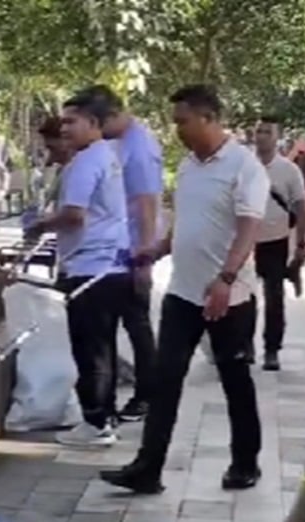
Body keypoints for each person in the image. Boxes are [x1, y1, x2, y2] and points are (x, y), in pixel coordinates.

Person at [100, 84, 268, 494]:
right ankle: (148, 468)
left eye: (183, 121)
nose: (177, 130)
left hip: (229, 297)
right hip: (182, 294)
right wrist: (158, 249)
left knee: (235, 382)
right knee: (165, 379)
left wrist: (226, 279)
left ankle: (245, 463)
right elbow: (186, 222)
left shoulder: (245, 167)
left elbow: (248, 230)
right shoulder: (190, 167)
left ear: (209, 118)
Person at [26, 93, 133, 448]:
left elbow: (74, 215)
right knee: (103, 347)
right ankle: (106, 416)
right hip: (110, 266)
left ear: (94, 123)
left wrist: (41, 225)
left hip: (91, 267)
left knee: (90, 350)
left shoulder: (86, 162)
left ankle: (95, 421)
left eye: (72, 122)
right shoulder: (106, 156)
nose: (65, 128)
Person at [74, 84, 160, 423]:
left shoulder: (138, 146)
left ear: (109, 116)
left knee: (137, 325)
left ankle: (148, 395)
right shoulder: (119, 143)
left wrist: (145, 257)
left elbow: (147, 202)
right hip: (117, 251)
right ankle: (114, 401)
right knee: (116, 327)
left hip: (132, 251)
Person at [252, 115, 305, 371]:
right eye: (259, 131)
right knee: (243, 297)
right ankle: (244, 345)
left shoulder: (289, 170)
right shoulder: (244, 166)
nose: (262, 136)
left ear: (278, 138)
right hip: (246, 242)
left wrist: (301, 245)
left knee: (274, 297)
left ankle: (272, 349)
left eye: (268, 132)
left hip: (276, 241)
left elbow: (301, 206)